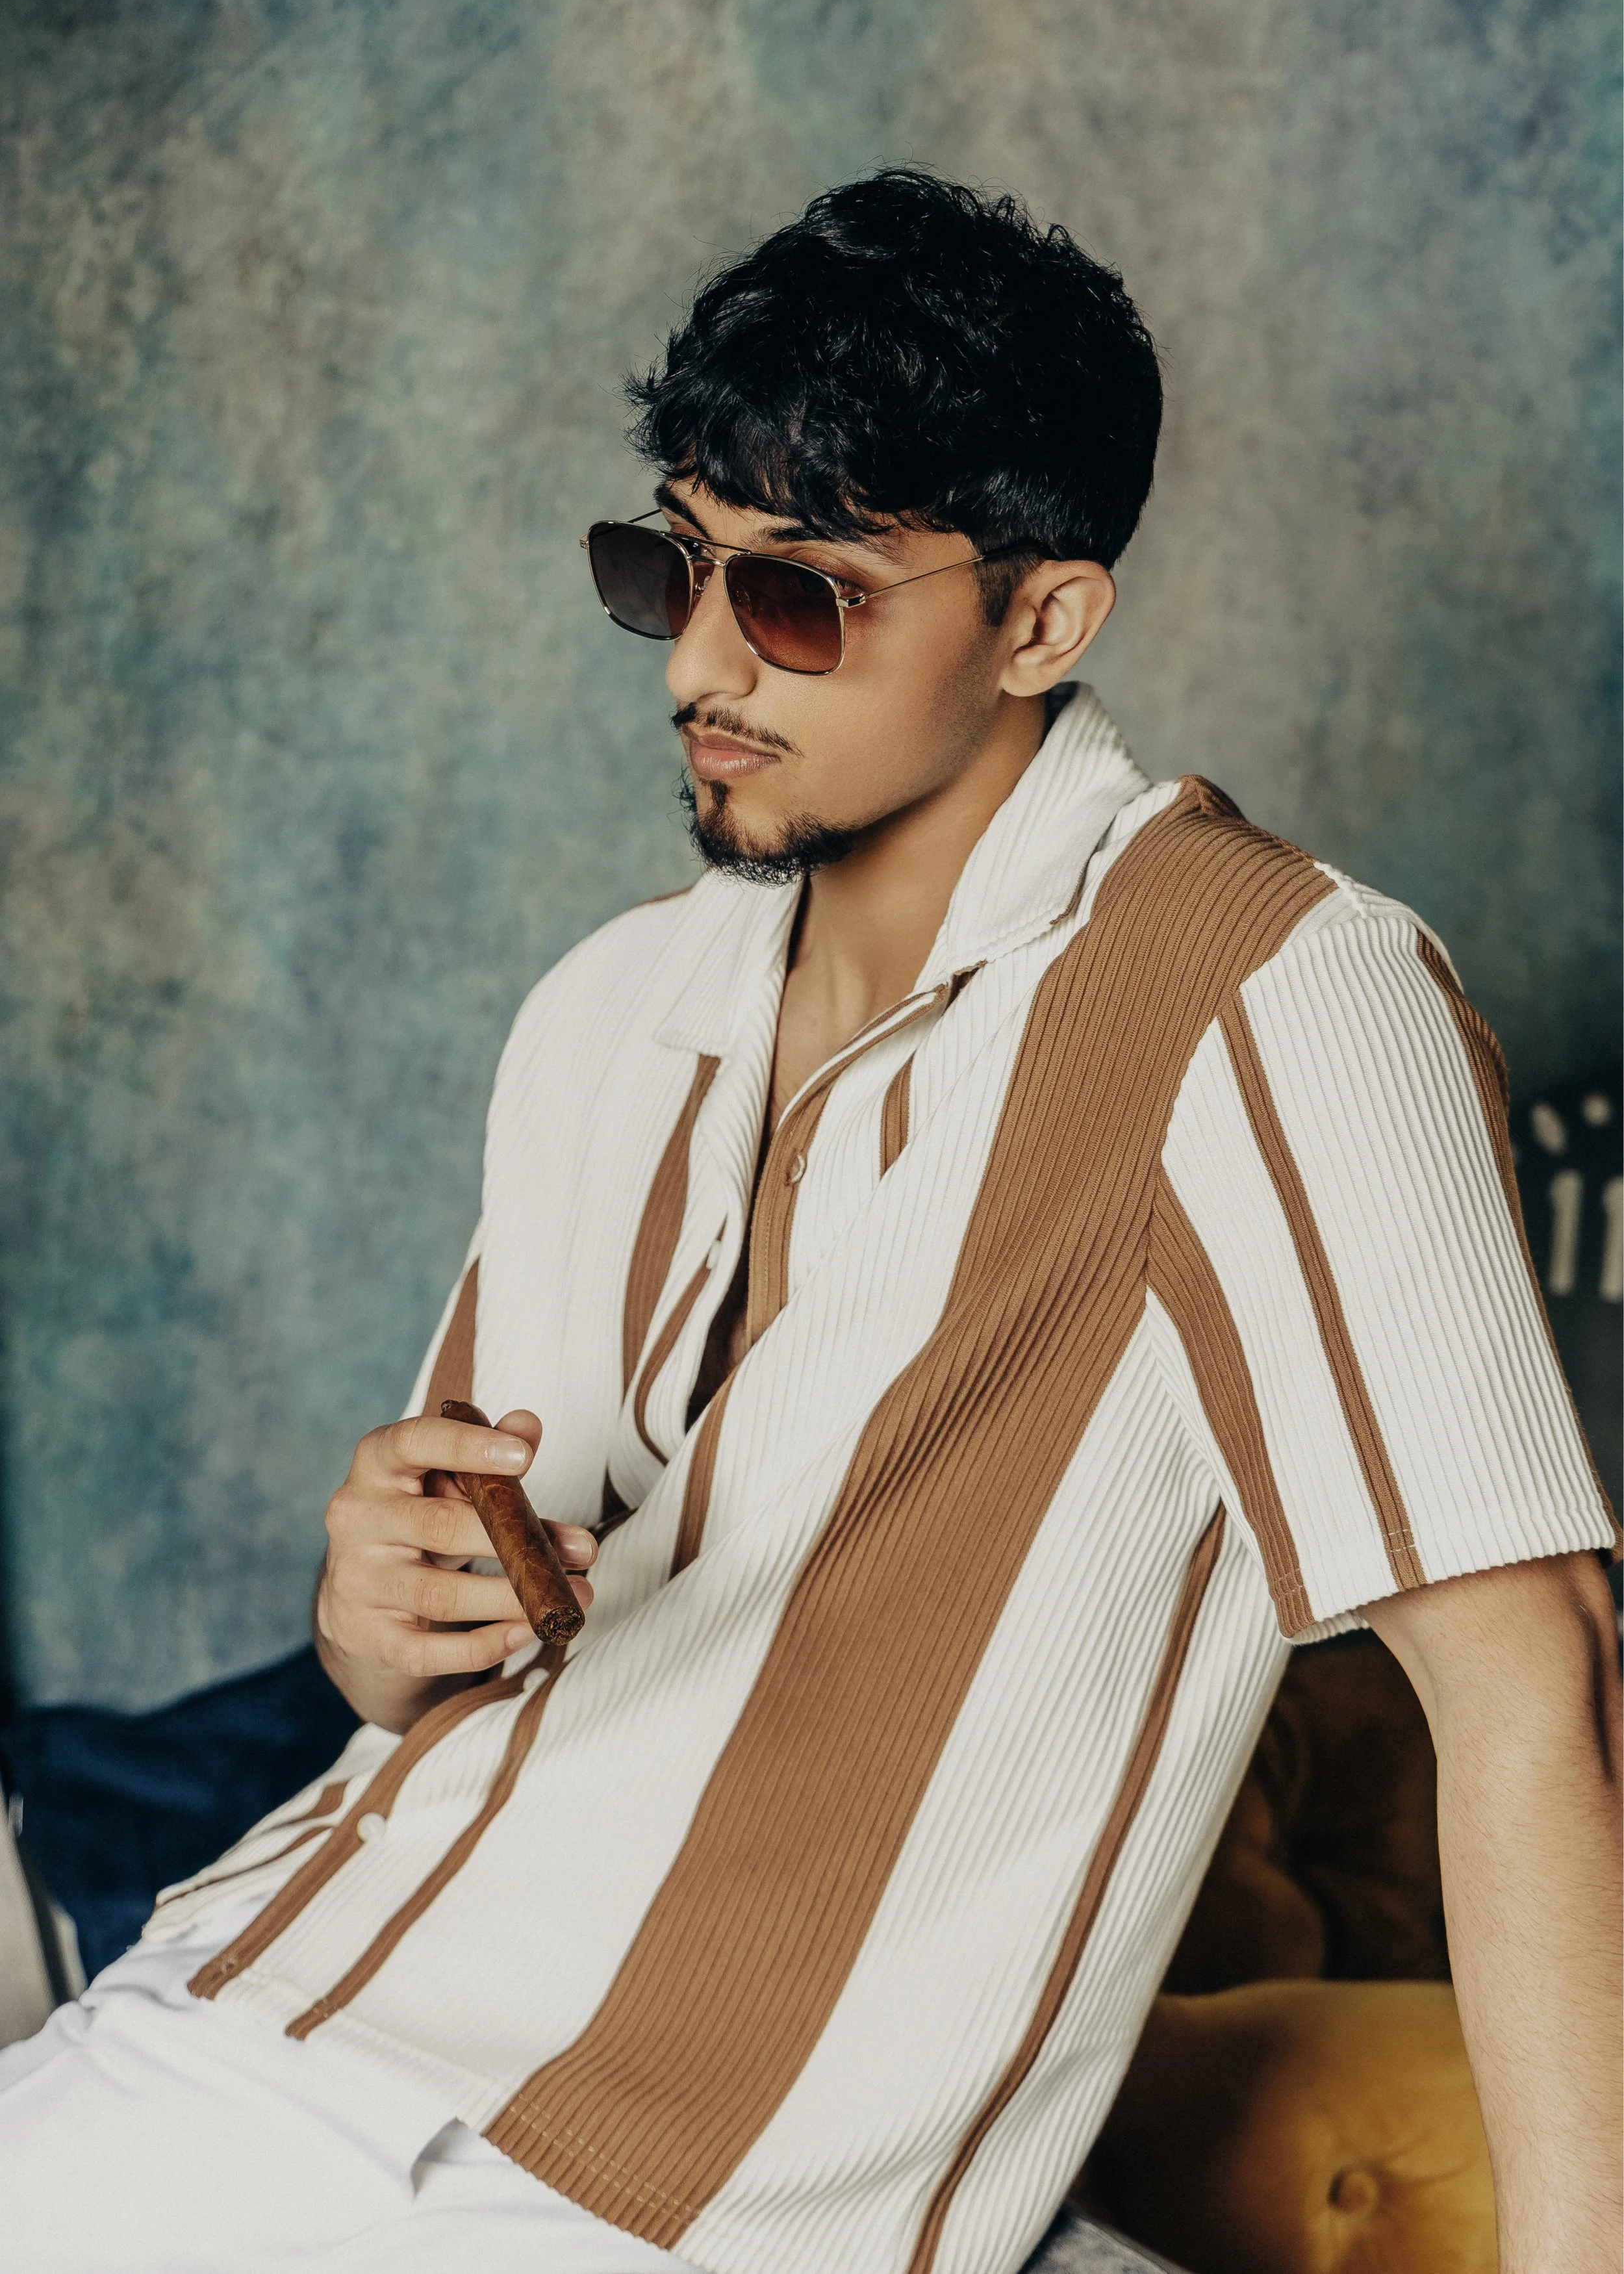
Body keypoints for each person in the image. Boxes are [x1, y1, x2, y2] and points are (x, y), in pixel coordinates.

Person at [1, 171, 1617, 2274]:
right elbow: (432, 1663)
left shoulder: (1260, 986)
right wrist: (372, 1617)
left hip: (655, 2198)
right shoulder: (605, 1006)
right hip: (226, 2019)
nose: (694, 658)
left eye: (800, 595)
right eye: (662, 566)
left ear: (1041, 620)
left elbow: (1530, 1686)